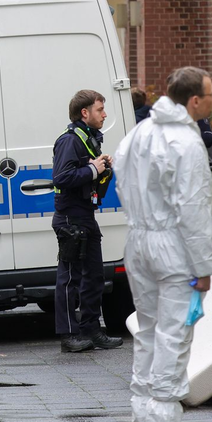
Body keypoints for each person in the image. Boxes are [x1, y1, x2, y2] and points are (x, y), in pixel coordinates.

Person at [115, 67, 212, 422]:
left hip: (139, 241)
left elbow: (122, 178)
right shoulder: (186, 144)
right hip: (173, 250)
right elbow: (193, 209)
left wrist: (141, 221)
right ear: (194, 101)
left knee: (147, 333)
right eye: (210, 95)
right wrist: (203, 266)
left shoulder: (140, 132)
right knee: (173, 337)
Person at [51, 89, 124, 353]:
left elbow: (87, 176)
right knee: (70, 278)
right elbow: (62, 177)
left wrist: (101, 168)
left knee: (94, 276)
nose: (104, 115)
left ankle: (92, 330)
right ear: (85, 113)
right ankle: (70, 335)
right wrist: (94, 168)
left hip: (85, 216)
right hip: (70, 218)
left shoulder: (88, 139)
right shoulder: (70, 140)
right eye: (99, 110)